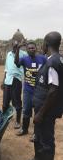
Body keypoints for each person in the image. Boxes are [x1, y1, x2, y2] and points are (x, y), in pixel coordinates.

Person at [32, 31, 63, 160]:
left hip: (46, 112)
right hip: (46, 109)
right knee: (39, 137)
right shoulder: (57, 59)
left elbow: (53, 91)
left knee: (46, 142)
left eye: (43, 44)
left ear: (46, 44)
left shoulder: (52, 63)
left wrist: (41, 113)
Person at [14, 42, 46, 136]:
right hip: (28, 90)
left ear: (36, 49)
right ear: (27, 50)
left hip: (39, 90)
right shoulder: (24, 59)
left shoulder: (42, 58)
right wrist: (18, 50)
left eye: (33, 48)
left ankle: (36, 133)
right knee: (26, 110)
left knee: (38, 111)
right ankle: (24, 129)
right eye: (29, 48)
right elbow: (16, 63)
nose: (31, 49)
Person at [1, 29, 27, 129]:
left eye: (18, 41)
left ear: (21, 42)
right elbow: (6, 69)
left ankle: (17, 121)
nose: (15, 43)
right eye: (14, 41)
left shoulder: (24, 54)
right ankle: (4, 119)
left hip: (16, 80)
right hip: (8, 80)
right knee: (5, 102)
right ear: (12, 41)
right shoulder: (8, 54)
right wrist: (3, 81)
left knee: (17, 102)